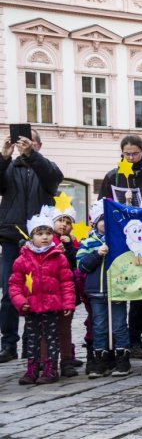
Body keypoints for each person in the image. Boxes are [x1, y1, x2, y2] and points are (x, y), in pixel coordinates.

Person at [98, 134, 142, 367]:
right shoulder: (112, 176)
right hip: (121, 239)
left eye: (135, 153)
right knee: (120, 289)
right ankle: (119, 344)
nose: (131, 157)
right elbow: (102, 207)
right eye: (127, 154)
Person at [0, 129, 63, 363]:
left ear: (39, 145)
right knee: (9, 293)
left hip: (41, 240)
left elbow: (53, 179)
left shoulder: (46, 166)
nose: (24, 146)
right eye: (21, 143)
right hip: (10, 238)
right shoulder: (8, 167)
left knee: (40, 291)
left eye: (30, 142)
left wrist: (31, 156)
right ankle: (8, 343)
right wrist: (3, 157)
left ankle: (33, 343)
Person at [10, 207, 75, 385]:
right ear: (32, 237)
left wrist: (68, 304)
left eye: (47, 233)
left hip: (52, 306)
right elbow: (15, 284)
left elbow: (67, 283)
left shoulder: (58, 257)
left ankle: (50, 368)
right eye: (40, 234)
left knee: (51, 337)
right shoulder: (22, 259)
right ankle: (32, 368)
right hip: (31, 306)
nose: (45, 237)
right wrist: (20, 301)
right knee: (32, 337)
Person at [77, 200, 131, 378]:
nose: (105, 223)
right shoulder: (88, 242)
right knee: (99, 326)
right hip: (96, 292)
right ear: (94, 222)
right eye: (102, 219)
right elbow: (82, 266)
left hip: (117, 290)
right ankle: (100, 359)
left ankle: (122, 359)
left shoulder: (119, 239)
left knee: (119, 325)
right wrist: (97, 254)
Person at [50, 205, 81, 377]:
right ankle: (47, 361)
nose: (63, 225)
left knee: (65, 327)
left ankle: (67, 359)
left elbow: (74, 263)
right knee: (47, 329)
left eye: (68, 222)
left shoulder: (73, 243)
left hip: (66, 292)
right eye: (60, 221)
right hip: (48, 293)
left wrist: (69, 250)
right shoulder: (46, 239)